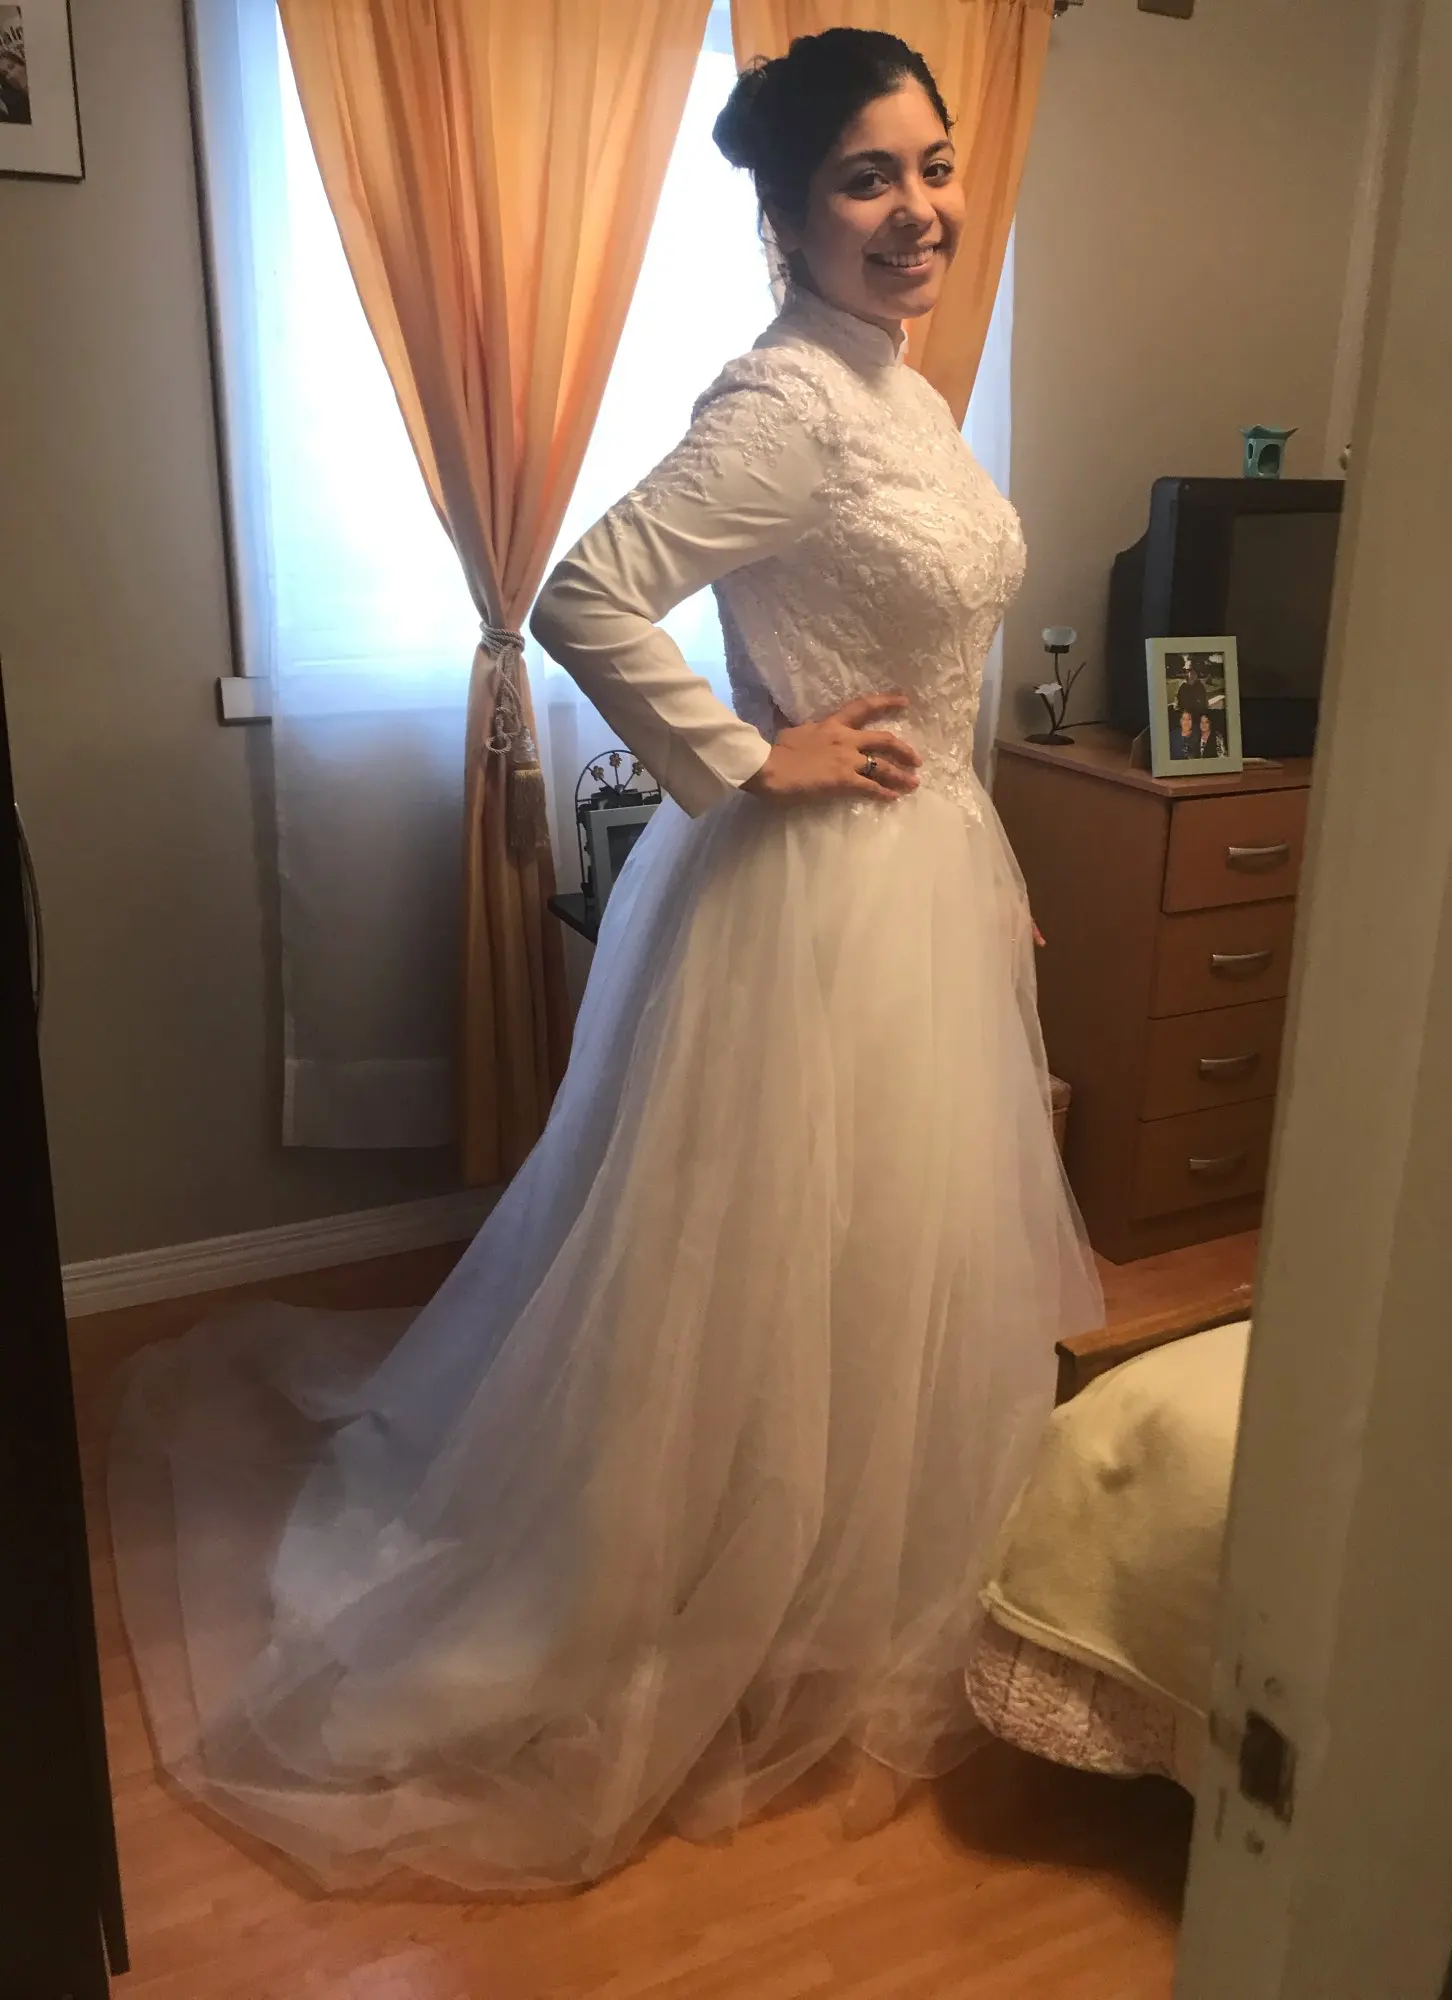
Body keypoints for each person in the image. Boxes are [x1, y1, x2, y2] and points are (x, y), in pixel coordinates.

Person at [108, 28, 1102, 1894]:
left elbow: (937, 659)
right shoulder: (790, 400)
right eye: (868, 179)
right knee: (769, 1255)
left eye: (936, 164)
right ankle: (706, 1577)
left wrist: (988, 861)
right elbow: (586, 589)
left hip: (924, 875)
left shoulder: (898, 384)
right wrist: (745, 757)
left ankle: (842, 1575)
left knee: (886, 1245)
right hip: (818, 897)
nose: (918, 210)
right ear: (787, 213)